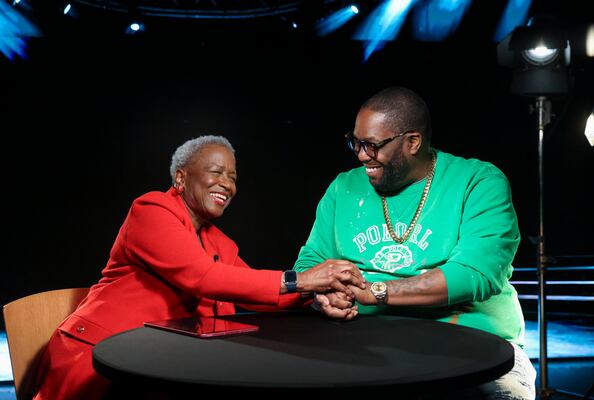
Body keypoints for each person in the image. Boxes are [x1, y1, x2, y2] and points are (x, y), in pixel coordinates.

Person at [33, 135, 366, 400]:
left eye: (233, 177)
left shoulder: (218, 242)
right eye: (216, 172)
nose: (227, 184)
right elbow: (203, 278)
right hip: (98, 353)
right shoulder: (151, 209)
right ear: (181, 177)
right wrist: (304, 278)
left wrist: (318, 295)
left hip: (154, 365)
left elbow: (259, 291)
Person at [294, 87, 537, 399]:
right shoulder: (344, 187)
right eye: (355, 142)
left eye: (372, 145)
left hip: (473, 342)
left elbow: (475, 275)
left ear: (412, 142)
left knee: (507, 393)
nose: (361, 154)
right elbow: (310, 260)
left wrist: (376, 292)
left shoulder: (478, 182)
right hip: (366, 343)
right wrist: (322, 293)